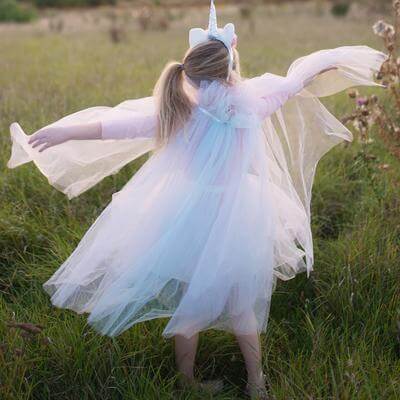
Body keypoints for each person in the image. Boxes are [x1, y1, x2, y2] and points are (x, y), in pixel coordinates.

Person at [7, 1, 387, 399]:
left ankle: (188, 380)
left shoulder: (176, 111)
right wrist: (334, 61)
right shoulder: (254, 101)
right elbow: (297, 79)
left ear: (190, 74)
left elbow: (114, 128)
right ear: (231, 66)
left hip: (185, 214)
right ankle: (256, 381)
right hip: (240, 212)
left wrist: (65, 134)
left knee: (190, 303)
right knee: (243, 304)